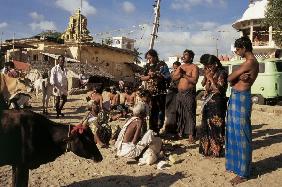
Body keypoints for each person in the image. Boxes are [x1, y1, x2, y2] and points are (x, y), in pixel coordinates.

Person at [225, 36, 259, 185]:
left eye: (238, 49)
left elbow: (229, 78)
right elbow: (231, 80)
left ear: (244, 48)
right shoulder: (247, 63)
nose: (237, 52)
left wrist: (236, 75)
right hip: (237, 97)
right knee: (234, 132)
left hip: (241, 98)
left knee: (242, 134)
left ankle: (243, 172)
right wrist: (237, 77)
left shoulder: (250, 63)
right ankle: (238, 166)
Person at [198, 54, 228, 157]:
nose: (207, 68)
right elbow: (205, 87)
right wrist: (206, 77)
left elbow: (218, 89)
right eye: (206, 66)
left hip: (218, 103)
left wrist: (210, 78)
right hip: (208, 102)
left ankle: (217, 150)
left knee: (216, 127)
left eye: (209, 66)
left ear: (215, 64)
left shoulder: (222, 73)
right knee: (206, 126)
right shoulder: (210, 72)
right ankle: (207, 150)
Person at [140, 49, 170, 134]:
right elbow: (141, 77)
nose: (149, 60)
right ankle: (152, 129)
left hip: (161, 92)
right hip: (150, 93)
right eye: (147, 58)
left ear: (155, 56)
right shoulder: (146, 66)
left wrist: (157, 74)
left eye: (150, 58)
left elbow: (168, 77)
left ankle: (158, 128)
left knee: (160, 110)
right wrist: (149, 77)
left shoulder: (162, 65)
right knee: (152, 111)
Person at [172, 49, 199, 143]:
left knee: (190, 114)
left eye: (186, 55)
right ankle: (180, 133)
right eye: (183, 55)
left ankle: (191, 134)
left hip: (189, 93)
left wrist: (184, 75)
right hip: (179, 94)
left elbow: (194, 81)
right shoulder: (181, 67)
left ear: (191, 57)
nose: (183, 57)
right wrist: (180, 73)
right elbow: (174, 77)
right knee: (180, 114)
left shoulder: (194, 67)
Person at [162, 61, 181, 134]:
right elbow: (166, 79)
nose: (175, 69)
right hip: (171, 93)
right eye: (174, 67)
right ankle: (169, 129)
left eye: (177, 68)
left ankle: (175, 129)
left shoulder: (180, 74)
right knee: (169, 111)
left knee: (176, 111)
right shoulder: (171, 73)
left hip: (177, 93)